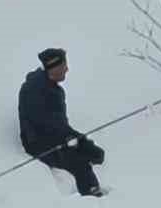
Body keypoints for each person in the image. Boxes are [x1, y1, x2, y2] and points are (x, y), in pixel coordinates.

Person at [17, 48, 106, 197]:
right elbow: (48, 126)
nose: (67, 69)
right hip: (37, 143)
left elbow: (60, 126)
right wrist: (75, 140)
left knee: (94, 152)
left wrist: (81, 141)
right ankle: (92, 196)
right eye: (64, 66)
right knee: (80, 163)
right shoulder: (34, 90)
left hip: (56, 137)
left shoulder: (51, 88)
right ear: (54, 67)